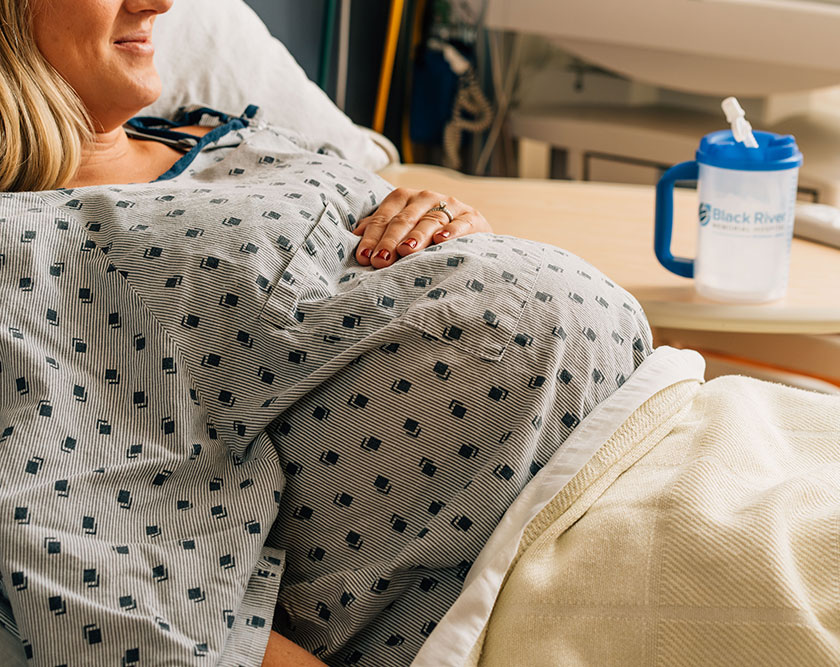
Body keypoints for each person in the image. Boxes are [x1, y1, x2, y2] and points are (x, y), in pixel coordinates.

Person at [0, 1, 652, 665]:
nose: (161, 2)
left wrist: (451, 236)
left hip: (644, 427)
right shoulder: (25, 247)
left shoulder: (203, 133)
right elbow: (101, 574)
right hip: (554, 548)